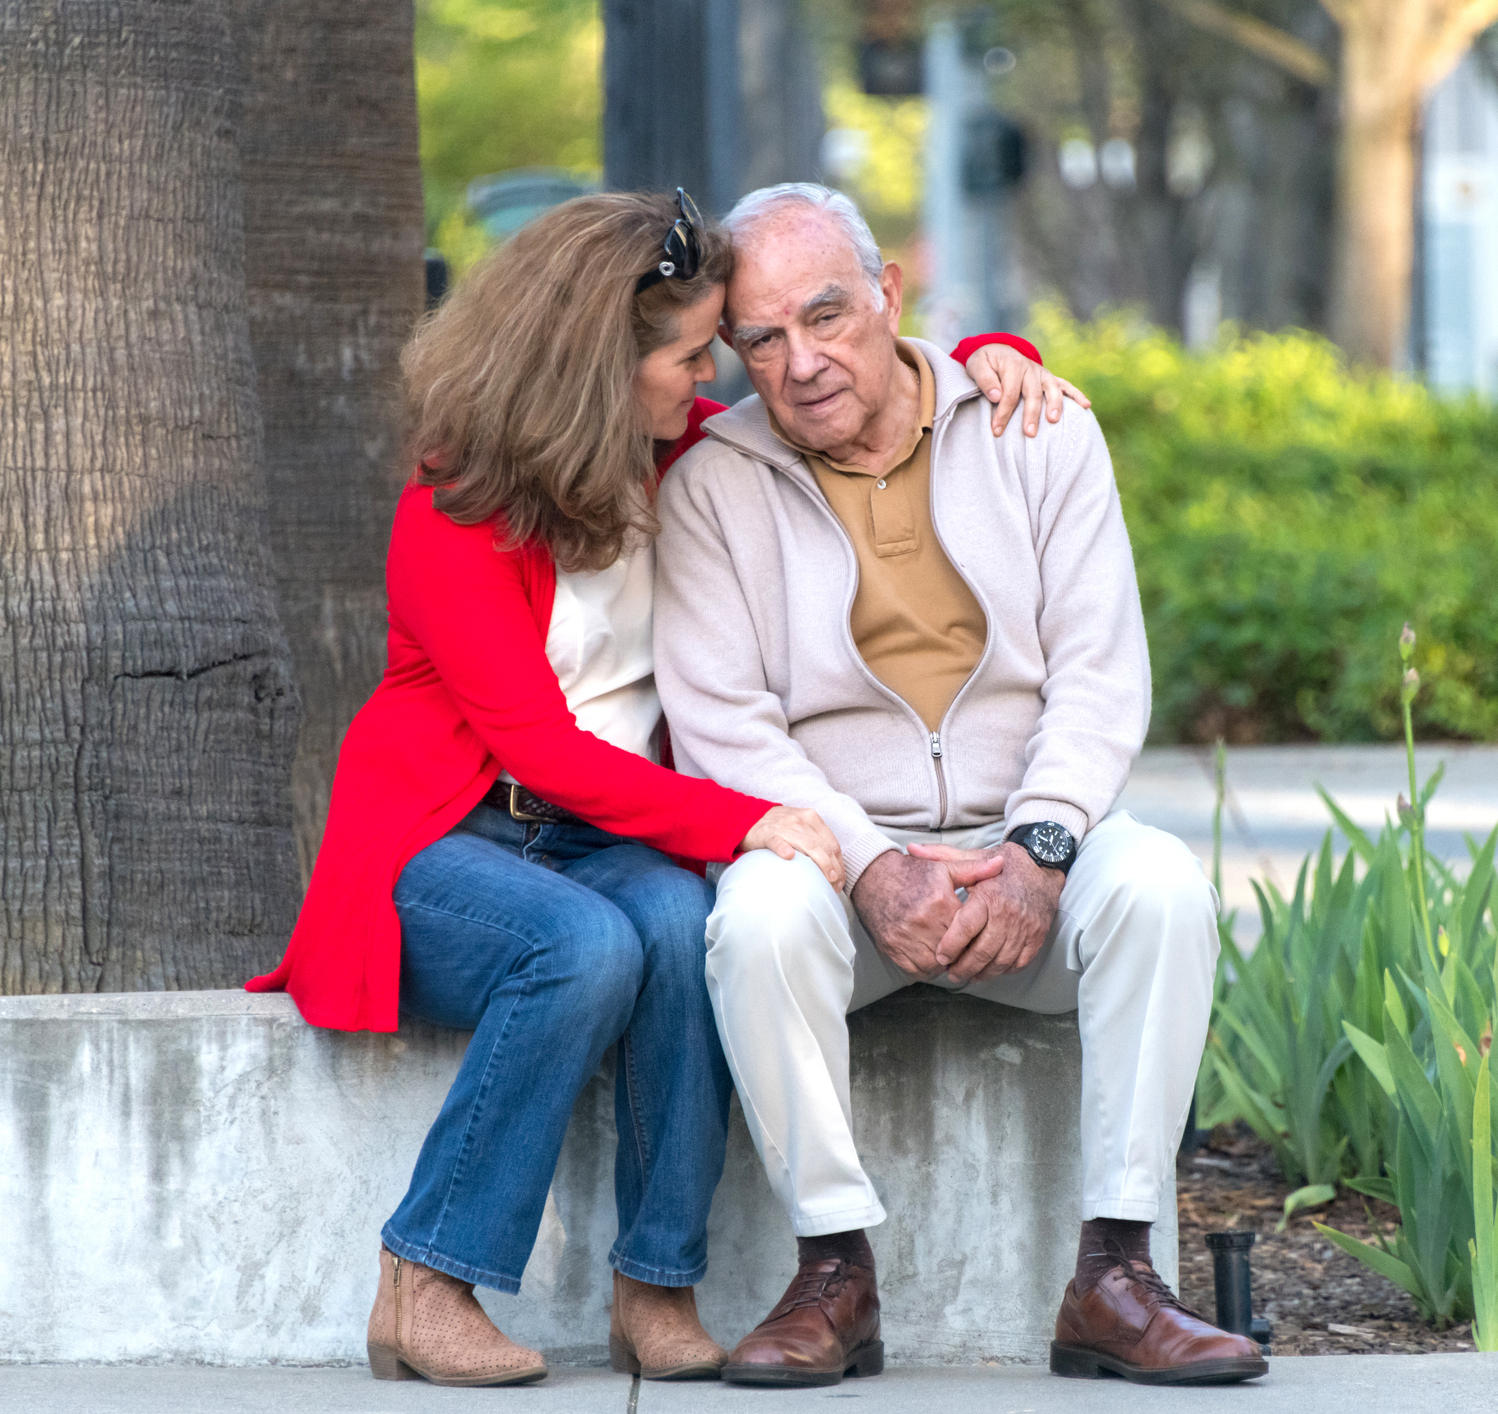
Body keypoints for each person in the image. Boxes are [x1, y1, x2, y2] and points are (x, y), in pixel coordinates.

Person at [242, 189, 1077, 1389]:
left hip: (608, 837)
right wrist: (753, 818)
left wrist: (1002, 362)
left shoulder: (677, 458)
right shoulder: (453, 511)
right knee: (581, 947)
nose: (712, 382)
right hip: (447, 843)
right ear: (598, 364)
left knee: (687, 926)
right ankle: (424, 1276)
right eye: (690, 357)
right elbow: (542, 752)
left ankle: (656, 1282)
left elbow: (869, 399)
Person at [652, 184, 1268, 1389]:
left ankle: (1117, 1271)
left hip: (1026, 836)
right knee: (757, 918)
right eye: (762, 340)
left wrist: (1041, 853)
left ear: (889, 295)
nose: (803, 361)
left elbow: (1098, 673)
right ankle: (835, 1270)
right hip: (846, 863)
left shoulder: (1038, 431)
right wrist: (868, 858)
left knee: (1160, 888)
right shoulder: (714, 485)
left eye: (826, 315)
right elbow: (723, 724)